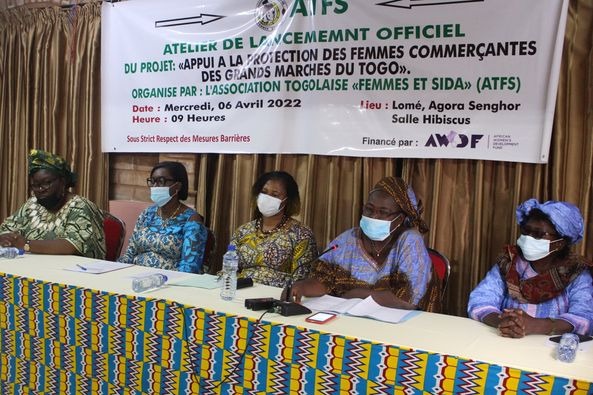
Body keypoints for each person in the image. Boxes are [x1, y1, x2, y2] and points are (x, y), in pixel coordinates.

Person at [287, 176, 441, 312]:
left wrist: (360, 295)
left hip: (400, 325)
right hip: (349, 319)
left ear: (400, 218)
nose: (374, 216)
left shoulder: (409, 241)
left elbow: (408, 300)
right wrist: (302, 286)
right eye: (369, 209)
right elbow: (323, 281)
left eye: (383, 212)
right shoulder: (348, 239)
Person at [468, 199, 593, 338]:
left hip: (551, 350)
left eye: (539, 234)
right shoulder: (509, 263)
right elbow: (479, 301)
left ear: (560, 243)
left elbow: (585, 319)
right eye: (526, 231)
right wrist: (504, 321)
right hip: (505, 341)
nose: (529, 238)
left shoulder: (577, 273)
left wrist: (536, 325)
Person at [0, 149, 105, 258]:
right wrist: (5, 239)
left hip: (75, 271)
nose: (40, 189)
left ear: (63, 181)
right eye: (35, 185)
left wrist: (26, 244)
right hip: (36, 267)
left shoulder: (81, 206)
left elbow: (71, 245)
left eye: (46, 183)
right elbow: (6, 229)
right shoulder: (31, 205)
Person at [230, 171, 318, 288]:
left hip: (276, 297)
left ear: (287, 200)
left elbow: (301, 279)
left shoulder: (301, 234)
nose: (267, 198)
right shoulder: (243, 231)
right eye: (264, 192)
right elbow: (228, 268)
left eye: (275, 195)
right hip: (239, 291)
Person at [118, 161, 208, 273]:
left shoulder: (192, 220)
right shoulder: (147, 214)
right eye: (153, 181)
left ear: (178, 186)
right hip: (134, 278)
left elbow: (189, 268)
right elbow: (129, 254)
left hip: (168, 283)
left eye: (161, 181)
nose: (155, 186)